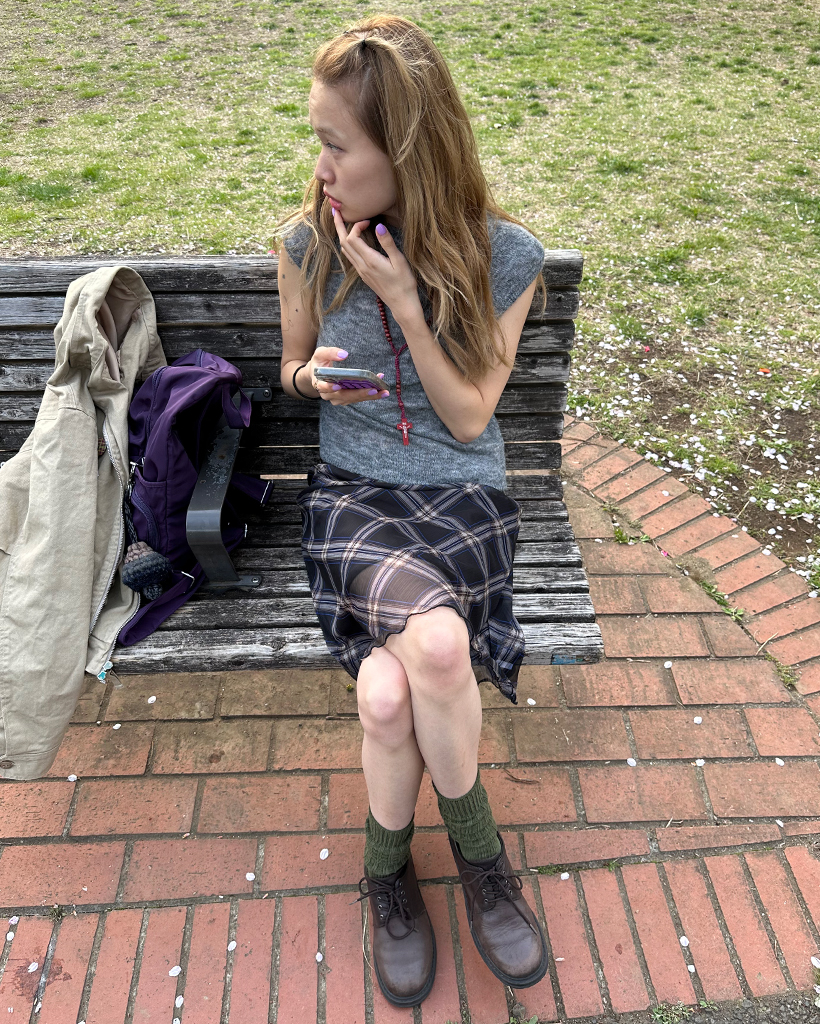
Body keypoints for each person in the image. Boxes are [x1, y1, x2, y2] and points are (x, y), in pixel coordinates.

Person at [274, 14, 549, 1009]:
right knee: (432, 650)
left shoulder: (505, 256)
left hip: (463, 498)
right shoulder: (307, 243)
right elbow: (289, 364)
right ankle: (479, 858)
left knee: (391, 695)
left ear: (408, 153)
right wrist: (311, 381)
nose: (320, 167)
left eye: (337, 144)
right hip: (354, 502)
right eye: (317, 139)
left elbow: (470, 414)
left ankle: (389, 870)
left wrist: (402, 305)